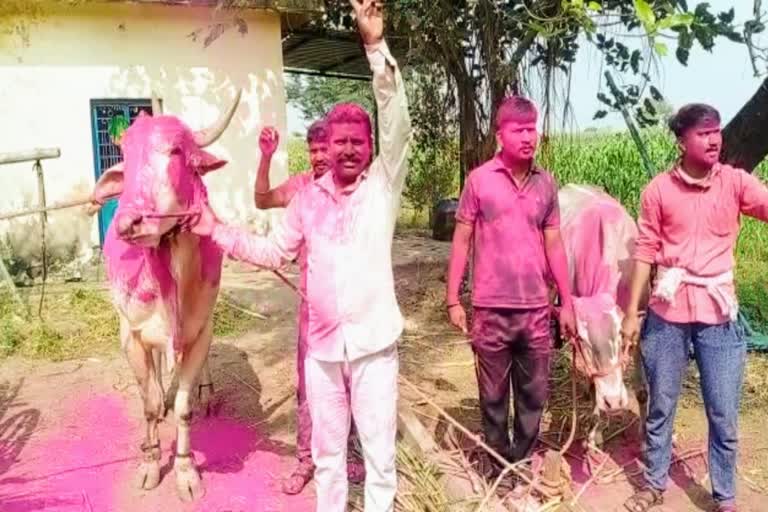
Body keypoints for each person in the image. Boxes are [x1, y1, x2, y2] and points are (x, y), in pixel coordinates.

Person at [190, 1, 410, 510]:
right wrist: (215, 229)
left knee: (379, 457)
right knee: (328, 455)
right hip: (323, 352)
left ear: (370, 147)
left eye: (359, 141)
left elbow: (397, 123)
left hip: (376, 348)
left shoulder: (382, 188)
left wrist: (375, 48)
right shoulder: (306, 199)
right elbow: (271, 251)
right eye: (341, 142)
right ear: (326, 148)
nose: (350, 149)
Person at [620, 103, 768, 512]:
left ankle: (724, 496)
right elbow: (645, 251)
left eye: (717, 131)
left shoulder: (737, 183)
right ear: (682, 140)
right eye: (703, 133)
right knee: (660, 404)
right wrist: (632, 313)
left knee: (723, 411)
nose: (714, 139)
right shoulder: (658, 191)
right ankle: (653, 483)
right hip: (668, 314)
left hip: (719, 317)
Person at [445, 95, 576, 481]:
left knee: (534, 393)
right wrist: (453, 299)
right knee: (493, 394)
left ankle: (521, 461)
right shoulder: (480, 180)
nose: (527, 137)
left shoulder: (546, 183)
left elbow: (554, 243)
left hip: (536, 309)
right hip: (489, 309)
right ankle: (496, 462)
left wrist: (566, 302)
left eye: (531, 129)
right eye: (518, 130)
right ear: (499, 134)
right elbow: (461, 241)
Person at [251, 122, 366, 494]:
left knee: (351, 380)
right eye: (312, 151)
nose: (318, 158)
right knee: (308, 385)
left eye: (323, 150)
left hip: (352, 305)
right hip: (312, 307)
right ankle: (306, 459)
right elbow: (262, 199)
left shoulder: (356, 188)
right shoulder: (301, 188)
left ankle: (351, 453)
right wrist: (266, 157)